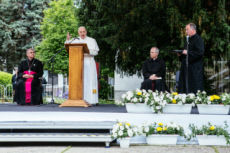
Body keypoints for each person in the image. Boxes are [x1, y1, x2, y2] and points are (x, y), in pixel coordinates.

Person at [65, 26, 99, 104]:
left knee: (88, 80)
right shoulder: (75, 40)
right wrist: (67, 40)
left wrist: (86, 51)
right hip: (77, 63)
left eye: (83, 32)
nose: (82, 33)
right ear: (78, 33)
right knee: (80, 80)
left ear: (86, 32)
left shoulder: (92, 40)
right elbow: (67, 48)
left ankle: (91, 100)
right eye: (81, 32)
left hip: (89, 62)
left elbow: (96, 52)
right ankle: (79, 99)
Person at [177, 23, 204, 94]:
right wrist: (181, 54)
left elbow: (200, 53)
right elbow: (186, 53)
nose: (186, 32)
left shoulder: (198, 39)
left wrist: (188, 53)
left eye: (187, 30)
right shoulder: (188, 41)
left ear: (193, 29)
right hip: (186, 68)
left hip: (194, 68)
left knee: (194, 86)